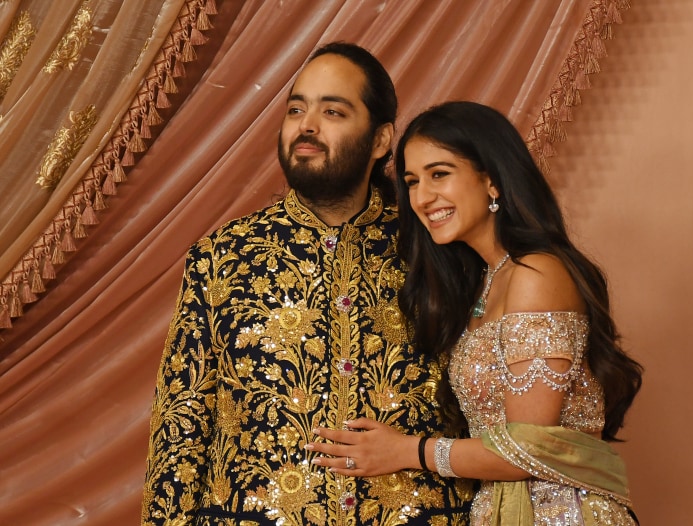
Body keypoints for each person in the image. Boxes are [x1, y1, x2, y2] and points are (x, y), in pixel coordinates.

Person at [141, 45, 475, 525]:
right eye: (296, 109)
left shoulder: (438, 250)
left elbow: (491, 411)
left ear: (381, 140)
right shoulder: (222, 257)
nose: (307, 126)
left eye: (333, 111)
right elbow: (181, 429)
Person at [306, 101, 643, 525]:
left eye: (440, 174)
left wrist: (407, 451)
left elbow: (530, 447)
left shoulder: (537, 272)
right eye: (411, 181)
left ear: (492, 181)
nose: (423, 197)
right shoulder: (487, 281)